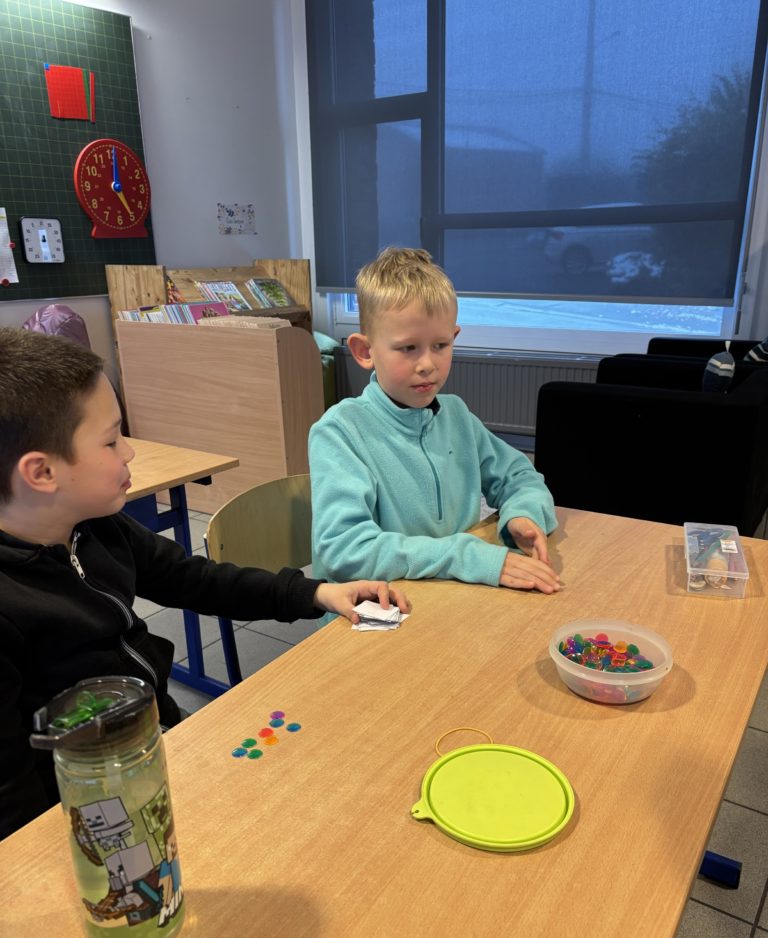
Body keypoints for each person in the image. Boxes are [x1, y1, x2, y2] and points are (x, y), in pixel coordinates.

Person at [0, 327, 409, 839]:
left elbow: (192, 579)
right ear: (41, 473)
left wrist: (315, 592)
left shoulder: (95, 526)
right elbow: (12, 805)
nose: (129, 453)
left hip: (156, 739)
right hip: (89, 806)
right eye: (111, 440)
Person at [309, 247, 560, 593]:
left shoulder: (456, 415)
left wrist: (523, 514)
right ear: (365, 352)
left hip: (451, 595)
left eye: (440, 345)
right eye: (408, 348)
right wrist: (461, 555)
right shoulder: (339, 432)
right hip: (373, 614)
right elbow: (344, 549)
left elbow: (520, 476)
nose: (428, 364)